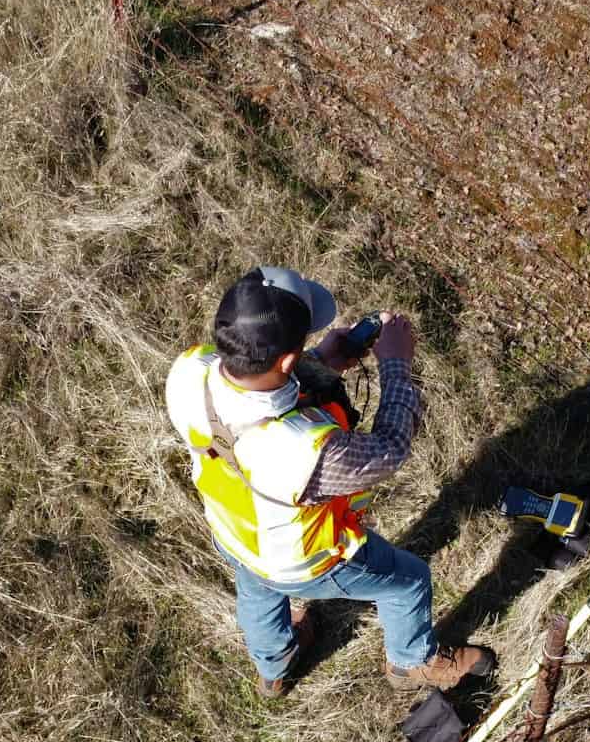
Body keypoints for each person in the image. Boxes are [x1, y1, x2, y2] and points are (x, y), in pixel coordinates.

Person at [164, 266, 494, 698]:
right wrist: (396, 365)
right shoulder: (306, 449)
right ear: (285, 360)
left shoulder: (189, 371)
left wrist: (320, 361)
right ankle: (412, 662)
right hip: (303, 561)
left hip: (234, 532)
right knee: (409, 580)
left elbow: (254, 393)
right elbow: (389, 449)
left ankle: (274, 665)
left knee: (256, 586)